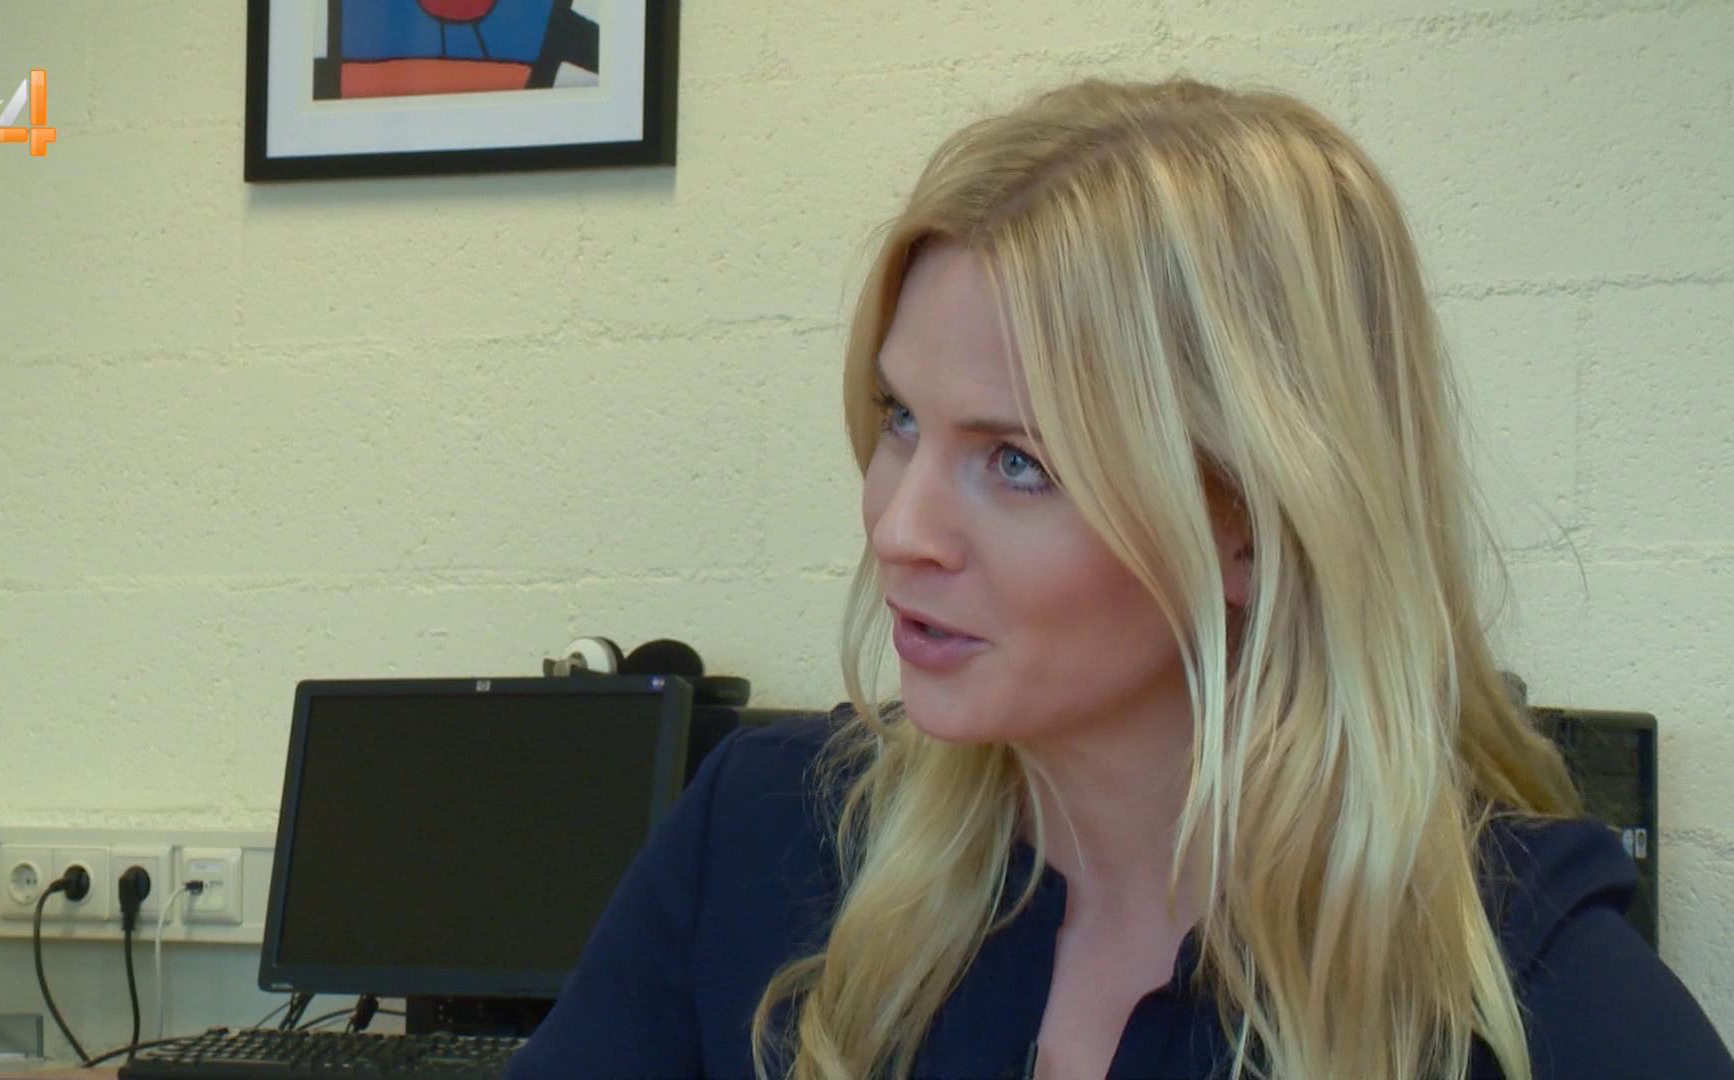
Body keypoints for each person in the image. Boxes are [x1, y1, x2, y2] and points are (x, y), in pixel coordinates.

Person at [502, 76, 1734, 1080]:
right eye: (900, 420)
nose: (899, 527)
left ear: (1255, 524)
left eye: (1019, 463)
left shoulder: (1528, 997)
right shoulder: (768, 841)